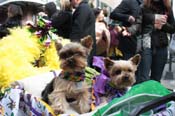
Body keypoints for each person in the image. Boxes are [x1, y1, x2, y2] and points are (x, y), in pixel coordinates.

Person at [69, 0, 96, 67]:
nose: (71, 3)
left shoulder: (82, 8)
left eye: (71, 1)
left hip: (82, 47)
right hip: (85, 46)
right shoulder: (86, 7)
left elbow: (77, 28)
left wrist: (72, 45)